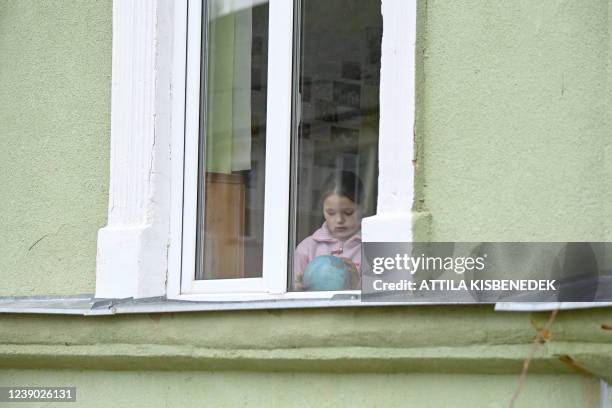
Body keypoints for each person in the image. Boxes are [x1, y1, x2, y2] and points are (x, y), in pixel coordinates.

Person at [293, 171, 364, 291]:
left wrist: (358, 284)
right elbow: (291, 292)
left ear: (363, 207)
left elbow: (384, 298)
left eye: (348, 212)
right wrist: (298, 289)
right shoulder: (307, 248)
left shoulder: (371, 247)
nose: (339, 220)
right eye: (331, 213)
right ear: (322, 209)